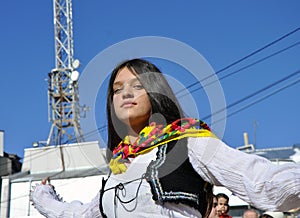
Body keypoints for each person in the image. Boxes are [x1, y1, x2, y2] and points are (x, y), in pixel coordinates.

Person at [30, 58, 300, 217]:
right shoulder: (118, 169)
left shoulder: (189, 141)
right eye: (117, 89)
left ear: (156, 93)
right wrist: (44, 197)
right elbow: (81, 215)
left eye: (137, 86)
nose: (125, 93)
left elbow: (259, 179)